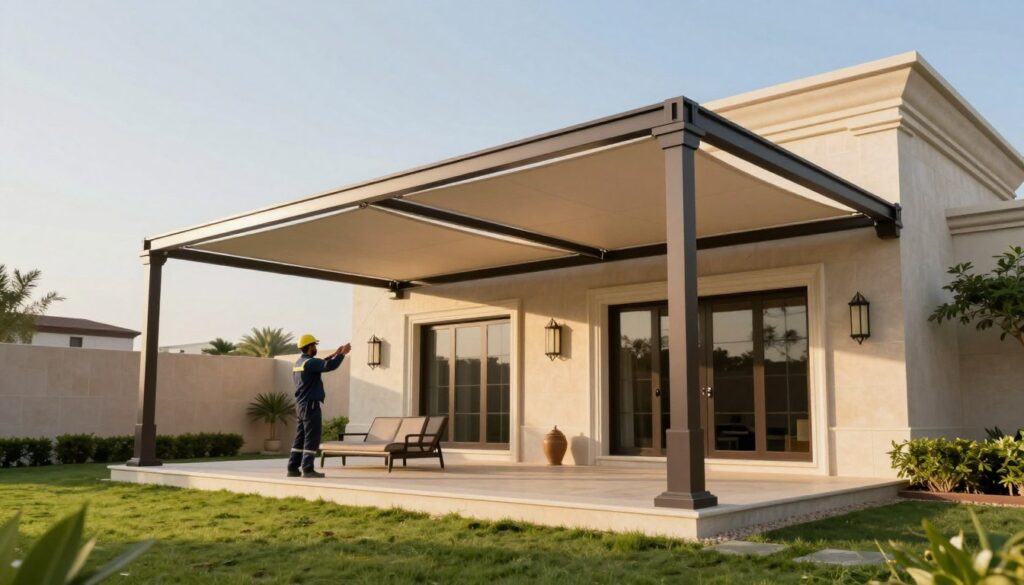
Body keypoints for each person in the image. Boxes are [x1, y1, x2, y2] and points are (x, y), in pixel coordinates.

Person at [287, 333, 351, 478]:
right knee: (312, 437)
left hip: (301, 406)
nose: (316, 347)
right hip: (311, 406)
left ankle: (292, 468)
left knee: (300, 438)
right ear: (310, 346)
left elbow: (318, 364)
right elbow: (329, 366)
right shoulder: (310, 363)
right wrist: (342, 355)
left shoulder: (299, 363)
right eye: (314, 345)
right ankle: (308, 469)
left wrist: (335, 354)